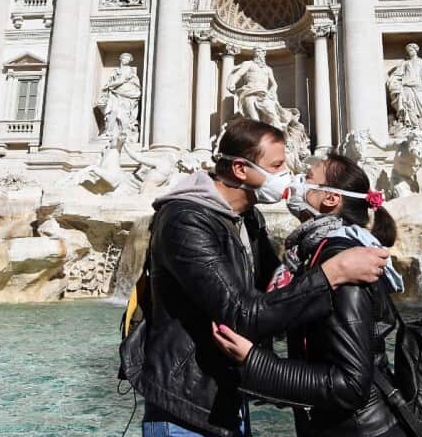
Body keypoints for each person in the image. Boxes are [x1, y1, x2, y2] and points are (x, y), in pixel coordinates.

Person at [131, 119, 390, 437]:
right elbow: (243, 314)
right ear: (241, 169)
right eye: (277, 165)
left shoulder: (247, 217)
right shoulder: (185, 221)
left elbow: (276, 294)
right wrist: (331, 274)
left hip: (228, 398)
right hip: (186, 407)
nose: (287, 176)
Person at [212, 154, 405, 437]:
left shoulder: (342, 260)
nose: (296, 182)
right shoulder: (314, 252)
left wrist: (255, 362)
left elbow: (350, 385)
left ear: (330, 199)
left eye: (307, 178)